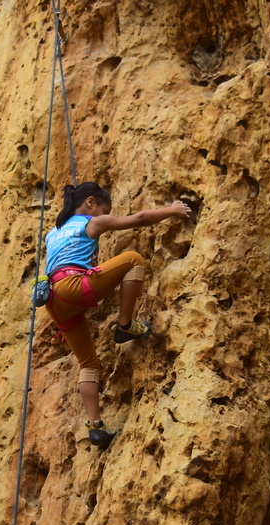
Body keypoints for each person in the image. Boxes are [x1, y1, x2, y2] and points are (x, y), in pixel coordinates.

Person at [43, 182, 191, 449]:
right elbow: (139, 219)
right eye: (103, 209)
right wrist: (172, 210)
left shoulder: (53, 232)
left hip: (54, 300)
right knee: (133, 259)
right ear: (90, 203)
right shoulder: (91, 223)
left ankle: (96, 427)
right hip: (74, 287)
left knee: (89, 364)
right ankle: (125, 325)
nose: (103, 214)